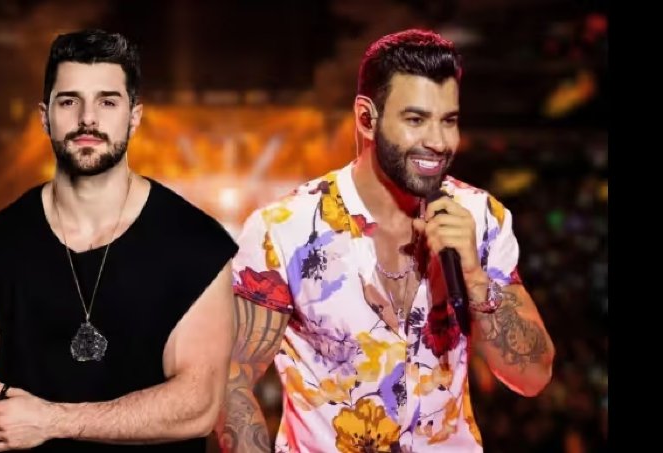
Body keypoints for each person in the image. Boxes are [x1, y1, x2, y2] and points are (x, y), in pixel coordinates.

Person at [217, 29, 555, 452]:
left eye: (448, 120)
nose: (438, 141)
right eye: (415, 120)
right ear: (366, 118)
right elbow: (230, 380)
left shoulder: (482, 218)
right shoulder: (285, 228)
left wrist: (475, 277)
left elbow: (534, 377)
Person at [0, 29, 238, 452]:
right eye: (69, 101)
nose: (88, 118)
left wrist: (53, 421)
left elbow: (198, 407)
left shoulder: (196, 243)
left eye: (107, 102)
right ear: (44, 116)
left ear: (134, 116)